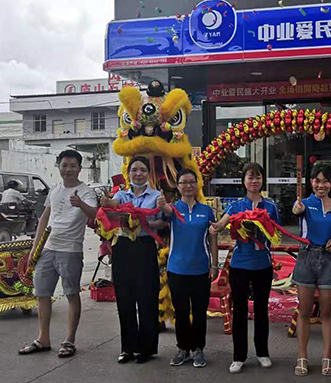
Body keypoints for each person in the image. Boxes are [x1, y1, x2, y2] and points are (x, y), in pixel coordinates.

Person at [19, 150, 98, 358]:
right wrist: (35, 248)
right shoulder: (54, 189)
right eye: (64, 165)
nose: (68, 169)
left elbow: (95, 214)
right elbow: (44, 218)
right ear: (59, 166)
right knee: (42, 294)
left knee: (71, 294)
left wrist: (80, 204)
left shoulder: (86, 192)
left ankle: (69, 340)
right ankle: (43, 339)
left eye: (72, 166)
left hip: (70, 250)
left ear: (79, 168)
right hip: (47, 249)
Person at [209, 162, 280, 374]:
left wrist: (263, 228)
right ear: (244, 181)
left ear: (262, 180)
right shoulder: (236, 206)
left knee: (261, 310)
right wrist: (215, 226)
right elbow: (222, 224)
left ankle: (262, 353)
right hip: (239, 265)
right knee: (239, 312)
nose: (254, 181)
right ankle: (238, 356)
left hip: (263, 265)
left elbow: (276, 234)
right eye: (250, 177)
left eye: (258, 177)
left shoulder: (270, 207)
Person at [100, 156, 166, 364]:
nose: (138, 174)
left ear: (148, 173)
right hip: (123, 248)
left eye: (142, 170)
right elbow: (112, 206)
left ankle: (146, 348)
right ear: (128, 174)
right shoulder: (121, 195)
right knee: (124, 298)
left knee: (147, 297)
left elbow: (161, 223)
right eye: (134, 170)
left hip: (145, 247)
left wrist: (144, 222)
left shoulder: (156, 196)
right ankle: (127, 348)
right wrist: (106, 203)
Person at [291, 164, 331, 376]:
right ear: (311, 182)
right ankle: (302, 357)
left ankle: (327, 357)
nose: (321, 185)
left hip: (329, 261)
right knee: (304, 311)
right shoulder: (305, 204)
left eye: (325, 181)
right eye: (317, 181)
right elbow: (297, 210)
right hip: (306, 258)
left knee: (326, 312)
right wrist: (296, 209)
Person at [158, 169, 219, 368]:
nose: (188, 186)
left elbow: (213, 239)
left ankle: (198, 349)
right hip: (177, 269)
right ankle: (183, 349)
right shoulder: (173, 210)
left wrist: (214, 264)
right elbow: (164, 213)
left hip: (201, 270)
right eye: (183, 182)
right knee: (182, 312)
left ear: (197, 184)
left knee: (200, 312)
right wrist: (162, 205)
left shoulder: (206, 210)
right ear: (178, 186)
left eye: (192, 181)